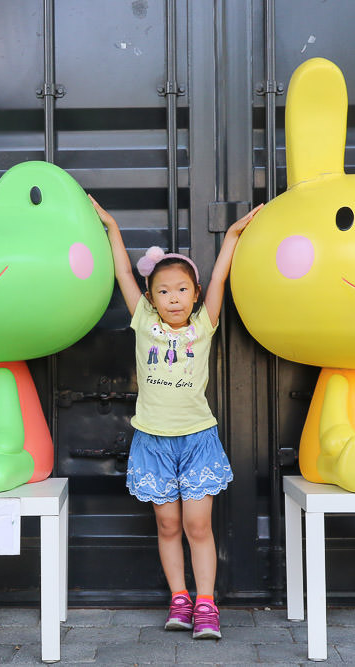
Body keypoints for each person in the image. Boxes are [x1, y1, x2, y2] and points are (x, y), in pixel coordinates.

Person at [90, 195, 262, 639]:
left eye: (182, 290)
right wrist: (111, 225)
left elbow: (221, 274)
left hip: (197, 439)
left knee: (196, 525)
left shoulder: (204, 325)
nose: (173, 298)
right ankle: (179, 599)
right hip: (153, 440)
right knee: (168, 525)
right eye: (163, 291)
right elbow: (123, 272)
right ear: (151, 297)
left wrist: (232, 236)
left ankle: (206, 605)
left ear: (196, 294)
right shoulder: (144, 322)